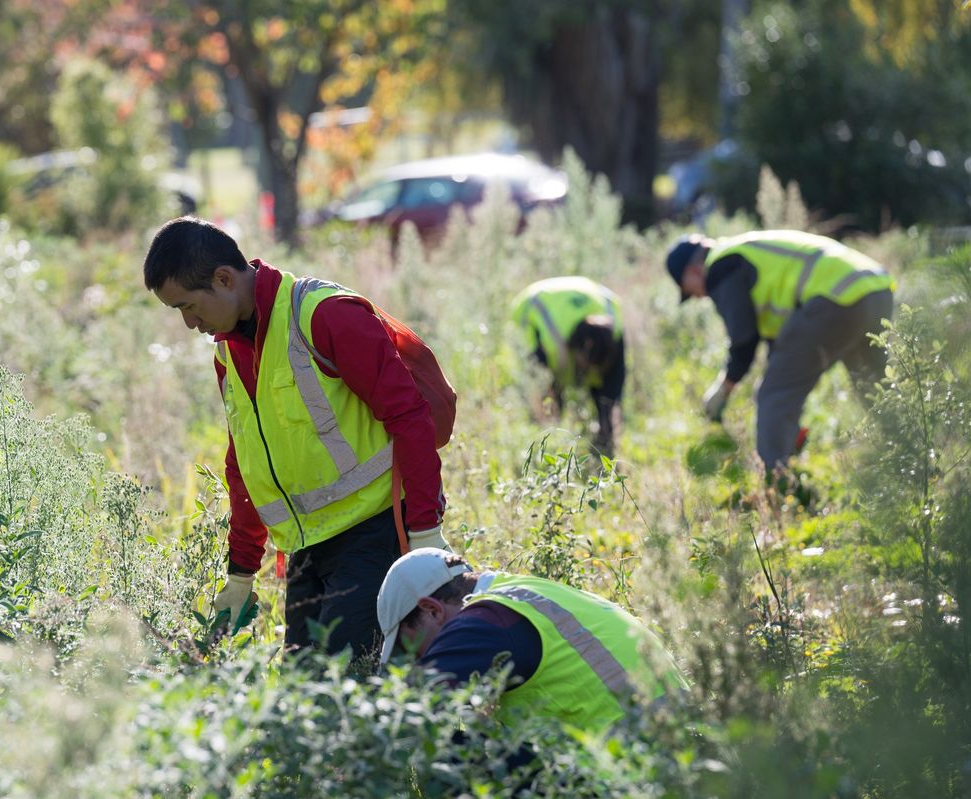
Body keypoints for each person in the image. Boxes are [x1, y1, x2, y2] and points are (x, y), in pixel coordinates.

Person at [143, 216, 448, 661]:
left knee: (346, 688)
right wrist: (242, 572)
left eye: (188, 306)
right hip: (307, 549)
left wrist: (424, 532)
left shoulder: (325, 314)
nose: (190, 323)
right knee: (306, 695)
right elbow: (243, 461)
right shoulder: (227, 351)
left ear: (224, 279)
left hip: (378, 532)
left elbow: (410, 419)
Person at [377, 548, 686, 732]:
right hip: (684, 742)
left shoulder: (480, 620)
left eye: (409, 648)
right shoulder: (521, 592)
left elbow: (414, 714)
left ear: (431, 610)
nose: (417, 659)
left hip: (634, 761)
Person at [666, 229, 895, 472]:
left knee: (774, 395)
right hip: (874, 288)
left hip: (834, 298)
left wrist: (724, 388)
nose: (698, 296)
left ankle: (776, 484)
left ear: (692, 271)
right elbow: (781, 342)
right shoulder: (743, 250)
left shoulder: (720, 267)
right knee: (874, 387)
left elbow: (744, 339)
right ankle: (914, 457)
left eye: (689, 290)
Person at [509, 277, 625, 457]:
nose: (591, 372)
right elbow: (542, 381)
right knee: (549, 392)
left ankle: (602, 444)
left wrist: (606, 428)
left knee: (606, 400)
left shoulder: (614, 333)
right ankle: (544, 443)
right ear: (576, 349)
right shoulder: (551, 341)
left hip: (591, 293)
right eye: (589, 365)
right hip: (533, 302)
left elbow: (613, 387)